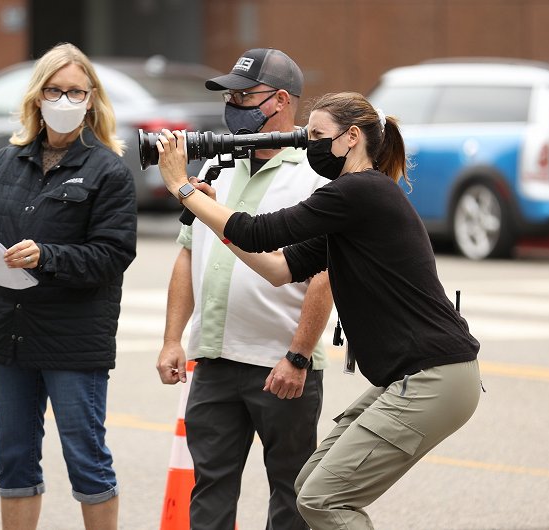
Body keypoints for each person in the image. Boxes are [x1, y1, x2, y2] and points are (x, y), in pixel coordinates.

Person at [155, 91, 481, 530]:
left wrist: (183, 187)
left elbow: (259, 231)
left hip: (433, 377)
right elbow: (276, 266)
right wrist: (207, 209)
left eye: (316, 135)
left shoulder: (358, 190)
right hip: (415, 376)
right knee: (309, 487)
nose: (308, 145)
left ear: (350, 138)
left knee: (325, 500)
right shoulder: (354, 208)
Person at [0, 42, 137, 530]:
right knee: (13, 455)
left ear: (92, 98)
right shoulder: (8, 161)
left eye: (76, 91)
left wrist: (47, 256)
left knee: (86, 457)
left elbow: (114, 255)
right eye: (55, 90)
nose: (65, 100)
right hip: (8, 333)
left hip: (72, 339)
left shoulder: (108, 170)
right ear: (37, 97)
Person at [155, 48, 333, 529]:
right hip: (214, 360)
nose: (233, 103)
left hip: (282, 364)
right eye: (229, 93)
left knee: (291, 495)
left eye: (244, 93)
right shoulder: (219, 165)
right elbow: (189, 253)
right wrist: (174, 339)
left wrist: (299, 356)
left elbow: (324, 277)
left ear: (280, 100)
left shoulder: (316, 174)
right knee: (209, 490)